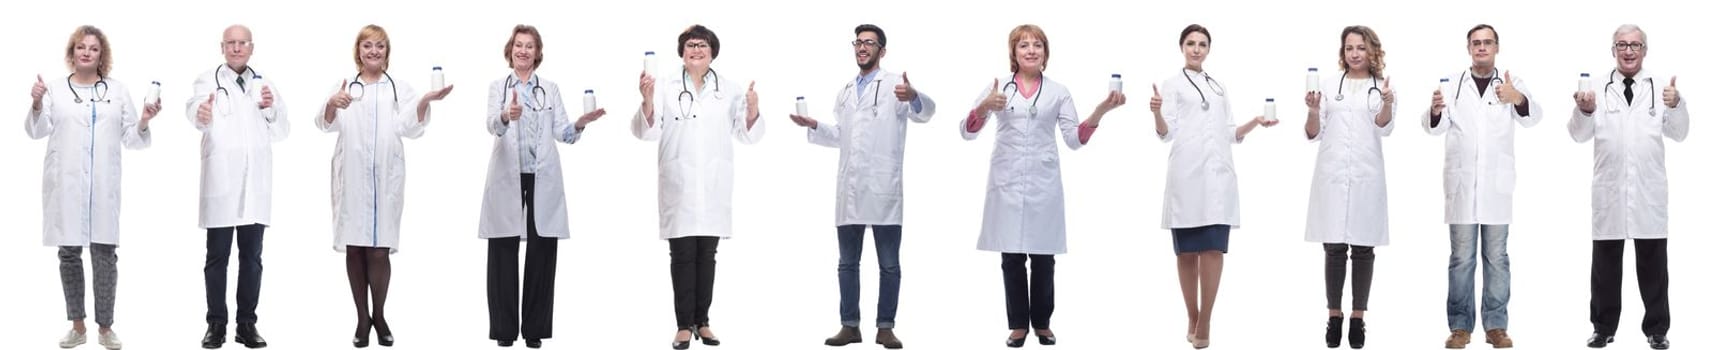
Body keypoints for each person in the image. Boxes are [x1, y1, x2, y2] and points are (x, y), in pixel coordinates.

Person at [960, 24, 1124, 348]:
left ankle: (1043, 323)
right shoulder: (999, 88)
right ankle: (1018, 325)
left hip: (1042, 183)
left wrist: (1101, 111)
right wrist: (982, 108)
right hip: (1006, 182)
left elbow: (1074, 139)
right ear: (1014, 53)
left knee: (1044, 258)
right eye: (1024, 45)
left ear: (1045, 53)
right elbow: (967, 131)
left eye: (1037, 45)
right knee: (1011, 258)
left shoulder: (1058, 91)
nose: (1031, 50)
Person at [785, 24, 936, 350]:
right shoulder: (844, 92)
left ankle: (885, 328)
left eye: (870, 43)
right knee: (847, 264)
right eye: (858, 42)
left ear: (882, 50)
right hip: (850, 190)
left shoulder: (897, 84)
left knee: (889, 265)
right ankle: (850, 326)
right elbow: (843, 136)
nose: (862, 47)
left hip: (883, 189)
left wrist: (914, 97)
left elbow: (926, 113)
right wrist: (814, 125)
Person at [316, 24, 454, 349]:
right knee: (355, 247)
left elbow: (411, 126)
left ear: (387, 53)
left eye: (379, 46)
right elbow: (323, 123)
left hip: (385, 180)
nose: (373, 51)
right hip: (350, 177)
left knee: (379, 252)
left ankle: (379, 314)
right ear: (358, 51)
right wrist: (333, 103)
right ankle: (362, 319)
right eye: (367, 46)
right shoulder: (345, 86)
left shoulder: (398, 89)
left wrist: (425, 100)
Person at [631, 24, 765, 350]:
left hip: (714, 185)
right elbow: (645, 132)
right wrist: (647, 101)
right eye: (690, 45)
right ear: (682, 52)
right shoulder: (662, 86)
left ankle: (702, 322)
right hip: (678, 184)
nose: (696, 49)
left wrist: (752, 109)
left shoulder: (730, 89)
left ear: (712, 52)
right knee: (681, 255)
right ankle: (682, 325)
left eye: (702, 45)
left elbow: (748, 134)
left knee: (707, 254)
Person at [26, 24, 157, 350]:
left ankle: (105, 328)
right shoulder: (55, 89)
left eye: (93, 48)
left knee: (104, 256)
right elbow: (36, 131)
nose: (86, 52)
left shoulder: (117, 89)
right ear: (72, 54)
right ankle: (78, 326)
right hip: (66, 185)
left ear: (102, 55)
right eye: (81, 47)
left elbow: (132, 139)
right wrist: (38, 103)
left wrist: (143, 120)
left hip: (103, 186)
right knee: (69, 254)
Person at [1147, 24, 1277, 350]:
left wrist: (1255, 123)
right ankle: (1192, 315)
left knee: (1214, 249)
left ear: (1209, 49)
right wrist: (1156, 114)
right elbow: (1166, 133)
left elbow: (1231, 132)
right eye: (1190, 43)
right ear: (1181, 47)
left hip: (1218, 178)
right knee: (1187, 252)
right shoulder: (1172, 85)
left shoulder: (1218, 87)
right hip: (1186, 176)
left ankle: (1206, 320)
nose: (1196, 49)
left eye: (1202, 44)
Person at [478, 24, 606, 349]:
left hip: (541, 177)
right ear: (510, 51)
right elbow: (492, 124)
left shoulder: (549, 88)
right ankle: (505, 331)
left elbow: (563, 132)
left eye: (529, 46)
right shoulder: (498, 87)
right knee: (503, 254)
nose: (523, 51)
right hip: (507, 176)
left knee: (542, 253)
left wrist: (579, 123)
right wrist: (507, 115)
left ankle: (534, 330)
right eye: (518, 45)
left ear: (537, 53)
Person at [1421, 24, 1540, 350]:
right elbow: (1435, 128)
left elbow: (1533, 118)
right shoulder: (1452, 84)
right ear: (1468, 48)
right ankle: (1460, 327)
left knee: (1497, 257)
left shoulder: (1511, 83)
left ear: (1497, 47)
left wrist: (1517, 98)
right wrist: (1434, 110)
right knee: (1461, 258)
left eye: (1487, 42)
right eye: (1476, 43)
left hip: (1496, 189)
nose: (1482, 48)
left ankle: (1496, 326)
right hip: (1461, 187)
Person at [1569, 24, 1686, 350]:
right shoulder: (1593, 89)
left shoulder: (1662, 88)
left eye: (1635, 45)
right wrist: (1585, 110)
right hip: (1610, 192)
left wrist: (1676, 105)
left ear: (1644, 50)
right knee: (1605, 267)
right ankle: (1603, 328)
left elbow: (1680, 133)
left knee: (1654, 267)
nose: (1629, 50)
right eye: (1622, 44)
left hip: (1648, 193)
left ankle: (1657, 329)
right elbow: (1577, 135)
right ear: (1613, 50)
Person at [188, 24, 289, 350]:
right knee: (217, 257)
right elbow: (195, 111)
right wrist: (201, 112)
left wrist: (270, 108)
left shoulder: (265, 84)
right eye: (230, 43)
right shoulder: (207, 79)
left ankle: (246, 324)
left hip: (254, 185)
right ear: (222, 47)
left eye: (241, 43)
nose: (236, 48)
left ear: (251, 47)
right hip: (221, 182)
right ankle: (216, 325)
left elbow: (282, 130)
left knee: (252, 258)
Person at [1303, 25, 1396, 350]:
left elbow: (1384, 127)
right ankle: (1334, 316)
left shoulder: (1382, 87)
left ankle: (1358, 318)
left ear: (1372, 51)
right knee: (1334, 248)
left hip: (1366, 176)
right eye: (1349, 48)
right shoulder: (1329, 86)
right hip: (1332, 175)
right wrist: (1313, 110)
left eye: (1360, 48)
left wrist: (1387, 103)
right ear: (1343, 53)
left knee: (1363, 249)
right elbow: (1313, 133)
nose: (1354, 53)